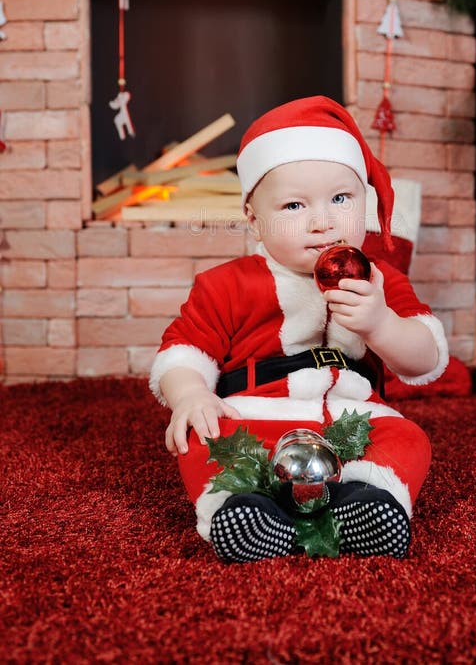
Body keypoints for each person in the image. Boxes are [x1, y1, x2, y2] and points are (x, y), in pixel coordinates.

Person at [150, 96, 448, 563]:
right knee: (200, 436)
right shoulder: (228, 282)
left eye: (341, 199)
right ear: (254, 219)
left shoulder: (380, 280)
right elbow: (183, 350)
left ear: (363, 203)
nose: (321, 221)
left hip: (354, 421)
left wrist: (381, 323)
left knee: (410, 438)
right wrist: (190, 394)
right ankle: (241, 507)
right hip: (255, 418)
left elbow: (425, 360)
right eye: (293, 205)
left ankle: (365, 501)